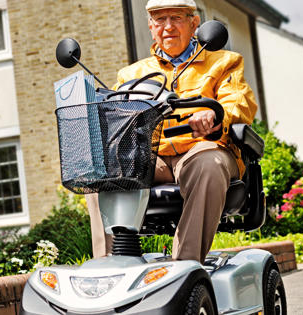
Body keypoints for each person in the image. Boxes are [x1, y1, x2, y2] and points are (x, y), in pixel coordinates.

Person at [86, 0, 257, 263]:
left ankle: (186, 267)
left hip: (204, 148)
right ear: (150, 27)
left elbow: (239, 101)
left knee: (207, 165)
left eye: (176, 18)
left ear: (194, 23)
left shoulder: (223, 62)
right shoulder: (132, 73)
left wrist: (214, 113)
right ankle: (110, 265)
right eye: (159, 19)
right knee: (101, 175)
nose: (167, 27)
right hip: (153, 156)